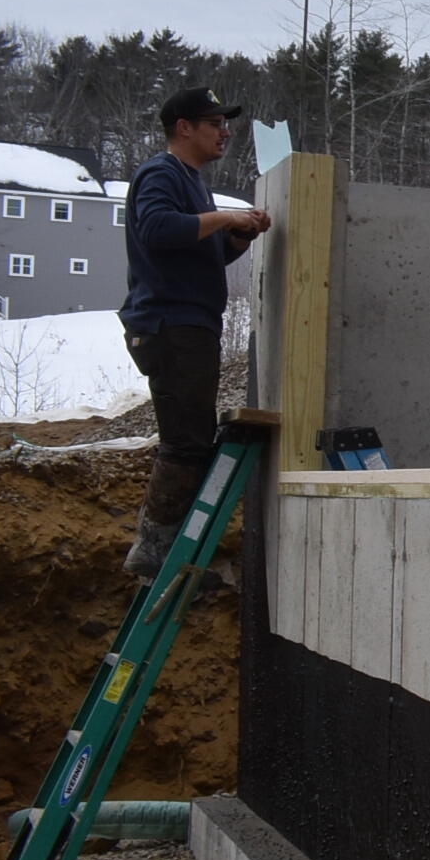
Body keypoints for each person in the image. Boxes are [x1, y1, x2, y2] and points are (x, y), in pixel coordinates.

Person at [119, 88, 269, 577]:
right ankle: (154, 553)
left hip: (189, 325)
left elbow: (204, 252)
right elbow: (159, 231)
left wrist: (238, 236)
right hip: (170, 325)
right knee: (184, 444)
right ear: (184, 128)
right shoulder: (161, 174)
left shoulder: (192, 184)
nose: (225, 131)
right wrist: (227, 215)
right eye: (214, 123)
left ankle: (164, 551)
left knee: (193, 440)